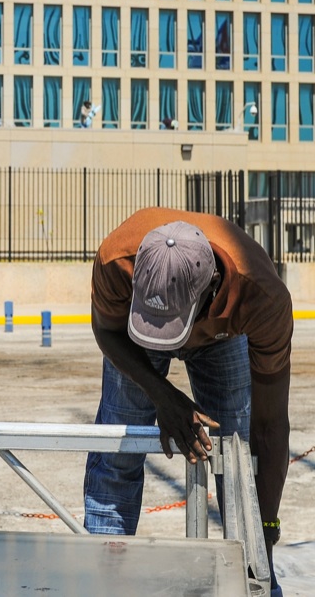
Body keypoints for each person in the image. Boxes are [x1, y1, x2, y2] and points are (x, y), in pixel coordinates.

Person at [84, 207, 292, 594]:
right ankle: (103, 581)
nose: (167, 340)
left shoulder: (261, 298)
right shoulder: (117, 260)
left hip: (221, 337)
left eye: (172, 328)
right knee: (115, 459)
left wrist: (266, 527)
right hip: (132, 341)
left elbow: (270, 427)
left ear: (212, 286)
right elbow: (106, 330)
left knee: (238, 466)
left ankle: (258, 582)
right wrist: (162, 396)